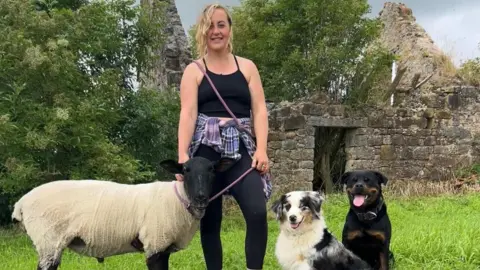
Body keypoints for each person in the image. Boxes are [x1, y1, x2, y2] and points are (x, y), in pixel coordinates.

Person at [176, 3, 272, 270]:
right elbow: (188, 114)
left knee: (256, 212)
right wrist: (183, 156)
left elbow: (260, 110)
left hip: (241, 149)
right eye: (210, 26)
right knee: (210, 219)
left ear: (229, 28)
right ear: (202, 31)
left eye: (221, 25)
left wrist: (261, 149)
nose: (216, 31)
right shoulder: (194, 70)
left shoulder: (248, 67)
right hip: (206, 150)